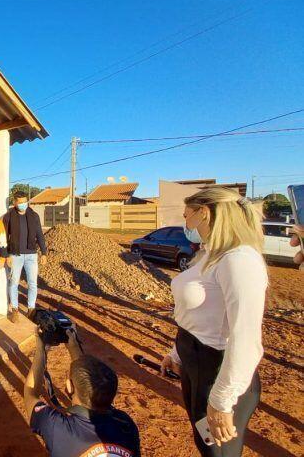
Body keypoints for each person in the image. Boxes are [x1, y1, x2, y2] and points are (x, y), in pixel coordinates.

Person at [160, 188, 267, 455]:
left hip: (217, 372)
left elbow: (245, 339)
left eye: (187, 216)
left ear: (204, 213)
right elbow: (196, 314)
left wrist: (222, 401)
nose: (185, 224)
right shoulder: (211, 255)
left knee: (218, 452)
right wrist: (177, 353)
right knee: (204, 444)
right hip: (194, 361)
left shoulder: (239, 260)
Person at [24, 326, 141, 456]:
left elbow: (30, 392)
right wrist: (74, 346)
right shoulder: (126, 424)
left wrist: (42, 349)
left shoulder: (56, 426)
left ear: (69, 387)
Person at [3, 190, 48, 323]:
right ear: (15, 203)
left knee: (32, 283)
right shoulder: (9, 216)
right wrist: (6, 255)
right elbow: (4, 237)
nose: (23, 204)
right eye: (20, 202)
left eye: (25, 201)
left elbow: (39, 234)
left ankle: (31, 309)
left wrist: (44, 253)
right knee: (13, 282)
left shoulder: (34, 215)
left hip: (31, 255)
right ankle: (15, 310)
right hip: (15, 255)